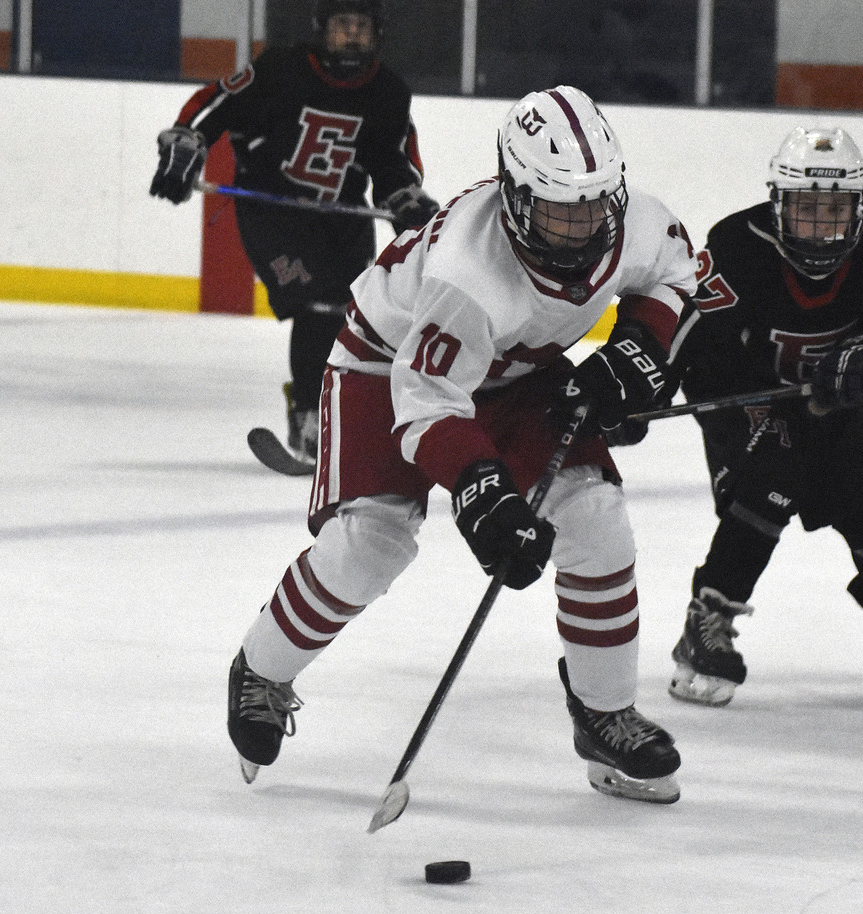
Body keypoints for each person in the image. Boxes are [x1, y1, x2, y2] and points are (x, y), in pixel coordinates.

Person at [222, 85, 700, 805]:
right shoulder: (467, 273)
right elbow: (427, 402)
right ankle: (261, 669)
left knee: (596, 519)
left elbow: (677, 276)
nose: (580, 227)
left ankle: (604, 713)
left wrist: (636, 353)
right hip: (388, 367)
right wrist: (483, 493)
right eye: (558, 209)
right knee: (372, 544)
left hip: (519, 370)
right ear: (513, 194)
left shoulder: (632, 221)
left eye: (593, 205)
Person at [660, 125, 863, 708]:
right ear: (777, 203)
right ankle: (705, 621)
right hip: (746, 393)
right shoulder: (736, 244)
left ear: (861, 205)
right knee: (770, 480)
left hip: (833, 406)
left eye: (834, 210)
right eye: (806, 210)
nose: (819, 226)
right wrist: (646, 385)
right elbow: (688, 330)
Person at [148, 0, 440, 462]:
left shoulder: (388, 92)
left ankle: (340, 416)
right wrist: (186, 142)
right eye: (343, 26)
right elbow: (218, 101)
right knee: (317, 302)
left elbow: (393, 162)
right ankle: (308, 416)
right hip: (272, 210)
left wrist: (406, 198)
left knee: (355, 314)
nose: (351, 36)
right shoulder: (281, 69)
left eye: (361, 28)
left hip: (343, 218)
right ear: (322, 30)